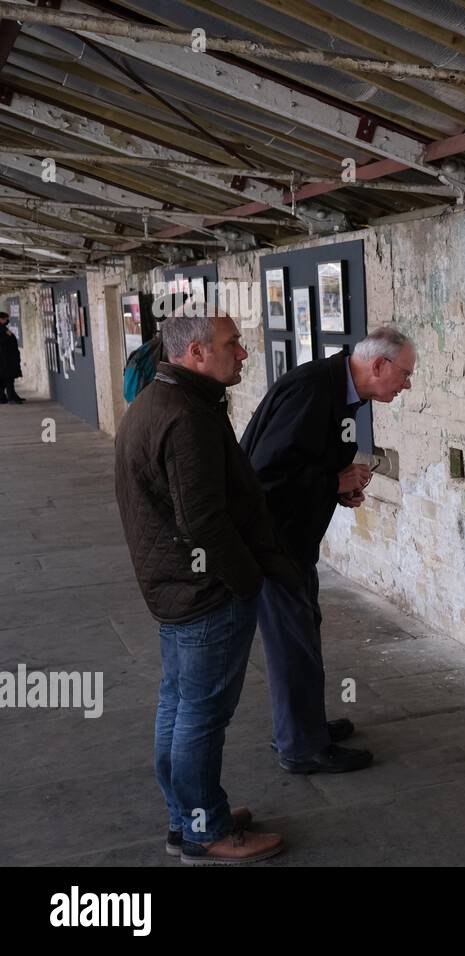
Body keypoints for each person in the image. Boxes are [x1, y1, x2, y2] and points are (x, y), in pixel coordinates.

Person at [115, 312, 296, 865]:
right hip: (203, 593)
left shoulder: (158, 401)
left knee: (178, 704)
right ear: (195, 353)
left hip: (173, 587)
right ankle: (205, 830)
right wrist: (247, 578)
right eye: (232, 344)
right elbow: (204, 522)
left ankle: (187, 816)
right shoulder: (186, 417)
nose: (242, 353)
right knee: (201, 714)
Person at [241, 327, 416, 774]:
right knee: (291, 643)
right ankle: (300, 746)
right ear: (378, 366)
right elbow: (263, 475)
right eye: (405, 374)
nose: (407, 384)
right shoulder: (313, 391)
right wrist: (331, 482)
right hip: (272, 542)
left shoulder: (340, 391)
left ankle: (305, 725)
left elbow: (302, 462)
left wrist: (339, 489)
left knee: (304, 632)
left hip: (293, 539)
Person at [0, 310, 23, 404]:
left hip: (7, 358)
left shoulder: (3, 328)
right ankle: (10, 397)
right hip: (4, 359)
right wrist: (8, 336)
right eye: (6, 319)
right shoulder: (1, 329)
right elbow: (2, 342)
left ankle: (10, 396)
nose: (7, 320)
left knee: (7, 379)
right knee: (7, 379)